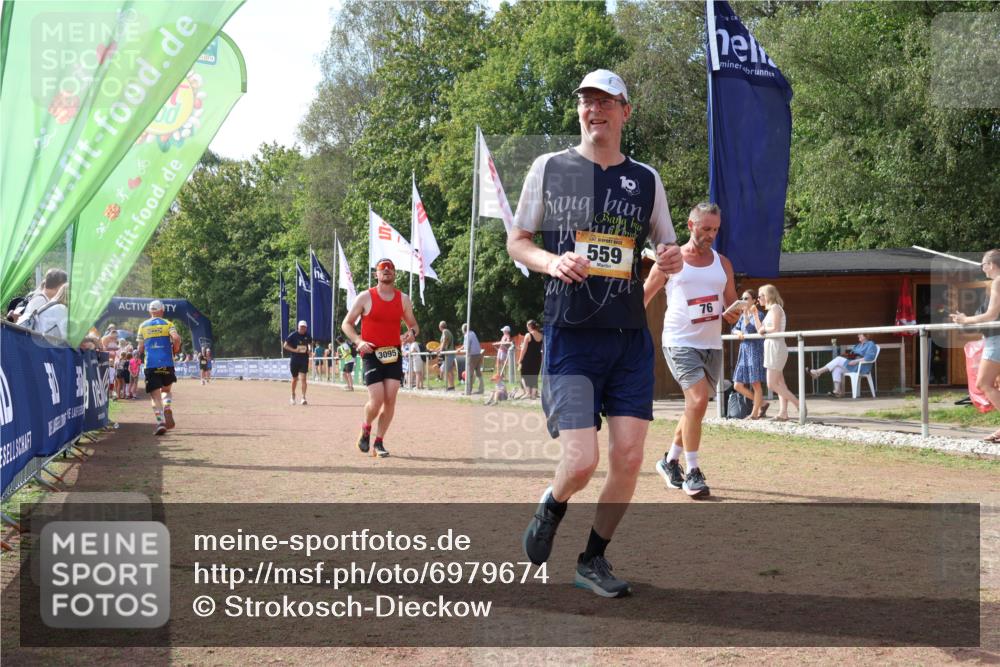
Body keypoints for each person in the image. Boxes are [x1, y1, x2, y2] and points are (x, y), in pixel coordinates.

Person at [507, 69, 682, 597]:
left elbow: (665, 249)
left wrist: (669, 259)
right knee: (582, 462)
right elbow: (518, 242)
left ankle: (592, 560)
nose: (595, 109)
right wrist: (550, 261)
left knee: (628, 458)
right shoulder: (549, 168)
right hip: (571, 335)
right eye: (587, 101)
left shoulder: (647, 179)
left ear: (626, 111)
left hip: (628, 339)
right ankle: (553, 503)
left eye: (607, 101)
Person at [644, 202, 740, 499]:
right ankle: (693, 471)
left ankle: (669, 460)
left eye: (715, 229)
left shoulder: (723, 263)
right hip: (679, 340)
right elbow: (644, 296)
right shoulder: (672, 261)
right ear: (690, 226)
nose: (710, 234)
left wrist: (734, 314)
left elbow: (730, 301)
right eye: (705, 228)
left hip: (711, 344)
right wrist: (624, 333)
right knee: (698, 401)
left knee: (694, 408)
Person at [342, 258, 419, 457]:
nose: (386, 271)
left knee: (390, 399)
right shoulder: (365, 297)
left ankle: (379, 442)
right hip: (371, 353)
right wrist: (359, 342)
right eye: (382, 269)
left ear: (395, 274)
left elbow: (414, 325)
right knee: (376, 400)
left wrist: (412, 333)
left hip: (393, 353)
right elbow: (347, 324)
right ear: (376, 274)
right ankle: (366, 428)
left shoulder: (403, 299)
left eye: (390, 269)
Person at [952, 249, 1000, 442]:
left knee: (983, 383)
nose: (981, 267)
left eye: (983, 264)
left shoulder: (998, 282)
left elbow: (991, 315)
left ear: (991, 265)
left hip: (997, 339)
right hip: (994, 338)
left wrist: (966, 320)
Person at [748, 284, 803, 421]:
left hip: (776, 347)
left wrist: (764, 331)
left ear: (767, 296)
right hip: (772, 346)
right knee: (780, 382)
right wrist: (755, 315)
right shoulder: (770, 311)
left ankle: (799, 404)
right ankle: (783, 413)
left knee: (771, 384)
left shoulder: (776, 309)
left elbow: (776, 330)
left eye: (760, 296)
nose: (758, 299)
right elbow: (760, 329)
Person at [136, 300, 181, 435]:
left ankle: (160, 422)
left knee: (155, 396)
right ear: (162, 310)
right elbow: (176, 338)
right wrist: (175, 350)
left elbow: (140, 347)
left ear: (150, 311)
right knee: (166, 390)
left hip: (151, 364)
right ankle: (167, 406)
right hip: (167, 363)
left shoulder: (143, 326)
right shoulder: (168, 324)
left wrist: (142, 352)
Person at [732, 289, 769, 419]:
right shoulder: (742, 316)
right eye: (742, 298)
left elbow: (750, 330)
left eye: (746, 298)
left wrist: (747, 316)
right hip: (744, 351)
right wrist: (738, 333)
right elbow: (735, 329)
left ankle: (754, 414)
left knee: (755, 383)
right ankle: (762, 403)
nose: (744, 301)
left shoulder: (758, 314)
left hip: (754, 350)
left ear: (754, 300)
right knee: (737, 385)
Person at [809, 333, 878, 398]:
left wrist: (856, 361)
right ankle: (837, 391)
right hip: (852, 365)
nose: (858, 336)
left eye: (860, 334)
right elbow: (852, 354)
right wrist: (848, 356)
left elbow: (870, 357)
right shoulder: (858, 345)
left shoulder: (870, 344)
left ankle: (818, 372)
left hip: (861, 367)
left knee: (838, 359)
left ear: (866, 336)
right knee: (836, 368)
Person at [283, 320, 312, 405]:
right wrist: (294, 350)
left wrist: (309, 350)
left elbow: (310, 344)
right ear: (298, 327)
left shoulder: (308, 335)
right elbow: (285, 345)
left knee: (303, 379)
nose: (303, 328)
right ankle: (292, 395)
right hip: (295, 359)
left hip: (304, 359)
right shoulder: (293, 335)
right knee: (295, 379)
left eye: (304, 327)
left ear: (306, 328)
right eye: (301, 327)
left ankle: (303, 397)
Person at [517, 320, 544, 400]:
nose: (526, 328)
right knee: (534, 376)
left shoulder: (528, 335)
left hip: (528, 358)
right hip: (537, 358)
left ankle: (528, 393)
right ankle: (533, 395)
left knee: (524, 375)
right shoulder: (541, 335)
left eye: (527, 326)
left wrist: (520, 359)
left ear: (530, 326)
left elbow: (524, 349)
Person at [458, 323, 484, 395]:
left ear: (463, 330)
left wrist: (466, 355)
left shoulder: (466, 335)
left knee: (469, 373)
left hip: (472, 355)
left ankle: (468, 391)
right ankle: (481, 389)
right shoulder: (473, 333)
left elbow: (467, 346)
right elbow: (467, 344)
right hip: (478, 354)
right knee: (478, 372)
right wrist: (460, 348)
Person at [438, 321, 456, 390]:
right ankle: (451, 386)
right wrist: (436, 349)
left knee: (446, 370)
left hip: (448, 354)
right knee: (450, 371)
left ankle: (450, 386)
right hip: (449, 353)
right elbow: (442, 343)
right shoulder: (447, 331)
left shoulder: (445, 331)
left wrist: (440, 350)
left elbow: (444, 341)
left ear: (440, 327)